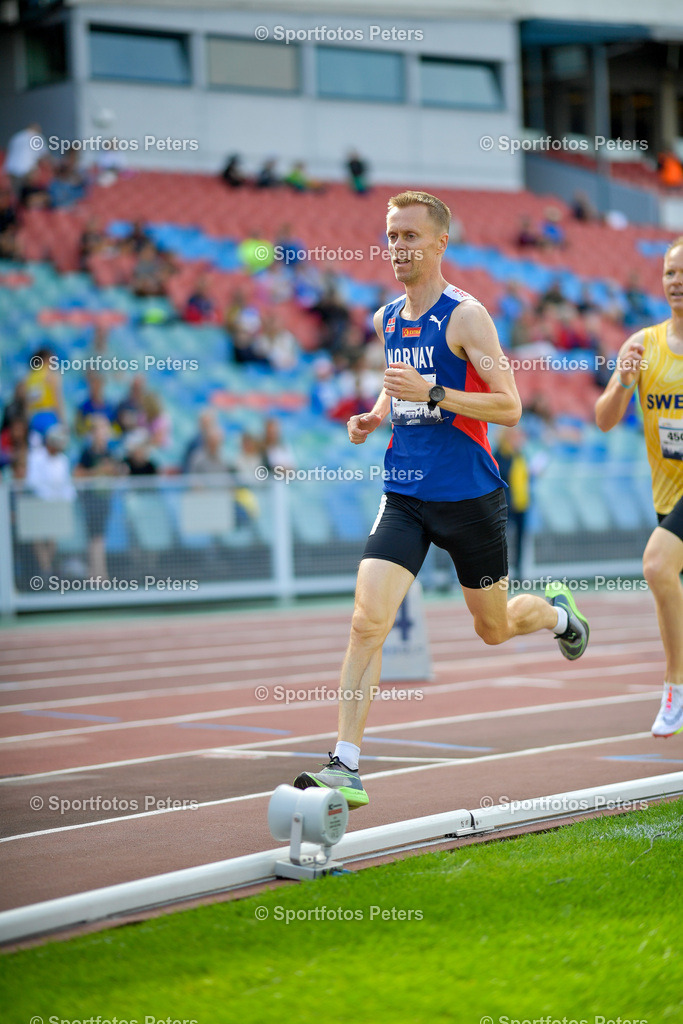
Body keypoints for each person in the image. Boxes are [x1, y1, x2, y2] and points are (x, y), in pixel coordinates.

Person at [291, 190, 590, 809]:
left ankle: (560, 614)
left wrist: (435, 395)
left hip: (470, 497)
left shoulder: (467, 317)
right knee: (366, 621)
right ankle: (344, 764)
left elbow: (508, 407)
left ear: (439, 243)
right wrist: (374, 416)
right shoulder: (384, 318)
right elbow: (398, 382)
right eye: (392, 235)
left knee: (494, 628)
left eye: (410, 237)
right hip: (404, 494)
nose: (398, 247)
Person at [595, 236, 683, 738]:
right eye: (671, 272)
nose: (678, 281)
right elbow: (604, 420)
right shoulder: (641, 346)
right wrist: (624, 383)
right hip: (667, 497)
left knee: (655, 564)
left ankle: (675, 687)